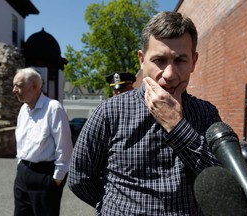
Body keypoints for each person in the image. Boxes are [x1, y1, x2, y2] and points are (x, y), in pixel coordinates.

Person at [68, 11, 221, 215]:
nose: (169, 74)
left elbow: (221, 180)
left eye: (180, 61)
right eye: (159, 60)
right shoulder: (110, 112)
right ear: (142, 59)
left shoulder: (206, 114)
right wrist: (115, 208)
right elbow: (79, 178)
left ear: (194, 61)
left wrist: (177, 126)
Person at [12, 67, 73, 216]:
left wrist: (57, 179)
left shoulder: (53, 108)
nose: (14, 90)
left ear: (34, 87)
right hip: (23, 173)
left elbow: (64, 147)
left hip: (44, 176)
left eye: (19, 86)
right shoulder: (23, 110)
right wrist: (21, 165)